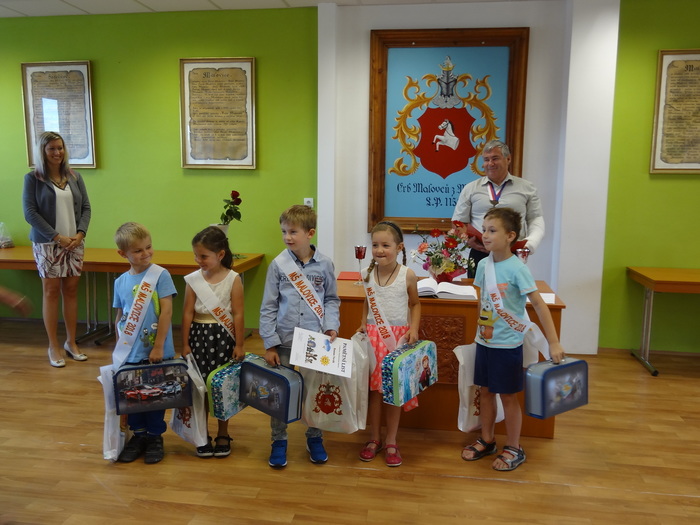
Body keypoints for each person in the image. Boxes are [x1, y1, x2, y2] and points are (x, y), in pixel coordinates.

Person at [462, 207, 564, 471]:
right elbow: (482, 301)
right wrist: (477, 333)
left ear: (510, 236)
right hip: (484, 342)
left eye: (492, 230)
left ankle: (514, 447)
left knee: (508, 396)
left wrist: (553, 342)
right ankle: (487, 439)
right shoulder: (483, 265)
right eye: (484, 230)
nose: (485, 235)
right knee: (485, 393)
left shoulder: (518, 268)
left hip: (507, 345)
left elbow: (539, 305)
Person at [259, 205, 340, 468]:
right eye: (284, 231)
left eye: (293, 232)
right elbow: (268, 305)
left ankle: (314, 436)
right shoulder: (278, 265)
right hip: (283, 341)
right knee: (279, 393)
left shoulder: (325, 264)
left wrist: (331, 326)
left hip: (314, 342)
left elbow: (331, 299)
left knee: (314, 392)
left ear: (310, 233)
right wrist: (269, 343)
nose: (287, 237)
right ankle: (278, 440)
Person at [22, 131, 91, 367]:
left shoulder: (74, 176)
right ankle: (53, 346)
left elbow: (86, 207)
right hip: (47, 244)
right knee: (51, 292)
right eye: (51, 148)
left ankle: (71, 342)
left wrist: (80, 234)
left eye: (60, 147)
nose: (57, 152)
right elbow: (30, 213)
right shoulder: (33, 179)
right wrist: (56, 236)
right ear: (43, 151)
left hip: (74, 243)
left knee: (71, 291)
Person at [357, 221, 421, 467]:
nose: (379, 250)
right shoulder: (367, 274)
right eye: (375, 245)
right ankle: (374, 438)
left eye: (385, 245)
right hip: (374, 339)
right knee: (375, 392)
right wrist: (362, 322)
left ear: (399, 247)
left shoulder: (408, 275)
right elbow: (367, 301)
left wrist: (414, 328)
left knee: (393, 392)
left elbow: (415, 304)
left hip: (397, 340)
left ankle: (392, 440)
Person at [112, 222, 177, 464]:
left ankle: (155, 437)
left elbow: (167, 312)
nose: (146, 253)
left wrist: (159, 346)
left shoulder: (161, 275)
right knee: (133, 395)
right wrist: (118, 349)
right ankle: (138, 436)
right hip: (130, 352)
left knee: (156, 395)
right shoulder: (120, 282)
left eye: (148, 247)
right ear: (123, 254)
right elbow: (120, 317)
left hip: (156, 351)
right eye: (138, 250)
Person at [181, 226, 245, 458]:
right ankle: (202, 434)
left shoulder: (233, 279)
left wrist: (239, 344)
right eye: (196, 256)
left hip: (223, 339)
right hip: (198, 337)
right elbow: (187, 313)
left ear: (220, 254)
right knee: (200, 388)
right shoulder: (193, 280)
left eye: (204, 256)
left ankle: (223, 433)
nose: (199, 261)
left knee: (221, 386)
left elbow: (238, 313)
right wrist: (184, 343)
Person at [452, 140, 544, 277]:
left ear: (508, 159)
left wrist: (530, 244)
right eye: (486, 159)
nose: (490, 163)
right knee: (476, 290)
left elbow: (536, 219)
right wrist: (468, 241)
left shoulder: (527, 188)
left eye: (495, 158)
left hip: (512, 254)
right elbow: (458, 222)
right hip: (479, 254)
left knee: (511, 290)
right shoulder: (470, 188)